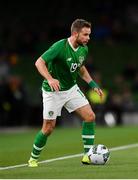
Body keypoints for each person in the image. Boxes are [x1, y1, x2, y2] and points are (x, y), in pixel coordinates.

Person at [28, 19, 103, 167]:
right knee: (48, 128)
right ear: (75, 34)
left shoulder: (83, 48)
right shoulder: (60, 47)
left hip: (71, 89)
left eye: (89, 34)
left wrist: (92, 83)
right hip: (53, 92)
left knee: (90, 116)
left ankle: (87, 156)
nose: (88, 38)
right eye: (85, 34)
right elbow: (39, 62)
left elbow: (80, 67)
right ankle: (33, 159)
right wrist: (50, 79)